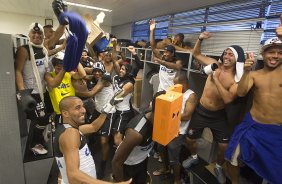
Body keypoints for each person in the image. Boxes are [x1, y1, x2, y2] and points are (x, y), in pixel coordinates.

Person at [182, 31, 245, 184]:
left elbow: (228, 99)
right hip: (201, 111)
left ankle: (218, 166)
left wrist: (215, 78)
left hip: (219, 115)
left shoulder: (236, 79)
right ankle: (194, 157)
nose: (227, 57)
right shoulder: (213, 64)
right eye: (226, 53)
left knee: (224, 146)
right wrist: (200, 39)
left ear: (237, 59)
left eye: (231, 55)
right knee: (190, 138)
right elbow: (196, 53)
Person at [224, 32, 282, 184]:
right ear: (263, 53)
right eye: (271, 52)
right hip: (252, 125)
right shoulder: (255, 74)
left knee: (274, 172)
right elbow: (242, 92)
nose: (275, 56)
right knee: (231, 157)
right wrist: (246, 72)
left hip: (276, 131)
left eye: (280, 52)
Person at [53, 96, 131, 184]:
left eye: (83, 106)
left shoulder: (67, 129)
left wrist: (109, 105)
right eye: (77, 108)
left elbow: (93, 127)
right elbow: (73, 175)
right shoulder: (70, 134)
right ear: (65, 113)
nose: (83, 110)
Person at [15, 22, 64, 155]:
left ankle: (41, 137)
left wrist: (63, 23)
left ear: (43, 36)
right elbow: (18, 71)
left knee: (49, 114)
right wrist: (23, 92)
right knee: (41, 119)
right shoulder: (24, 50)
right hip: (31, 92)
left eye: (39, 33)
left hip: (43, 90)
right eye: (34, 33)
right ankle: (34, 144)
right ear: (29, 34)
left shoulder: (43, 49)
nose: (37, 35)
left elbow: (55, 36)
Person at [152, 71, 198, 184]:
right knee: (161, 148)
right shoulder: (175, 92)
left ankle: (177, 180)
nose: (173, 86)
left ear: (183, 83)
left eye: (175, 84)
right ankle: (165, 168)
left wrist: (168, 115)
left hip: (178, 131)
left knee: (174, 157)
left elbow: (187, 116)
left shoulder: (191, 95)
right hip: (166, 127)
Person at [112, 91, 166, 183]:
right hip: (128, 166)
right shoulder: (136, 133)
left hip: (142, 160)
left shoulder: (161, 121)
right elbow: (116, 162)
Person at [46, 51, 86, 126]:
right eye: (56, 64)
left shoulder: (69, 74)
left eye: (61, 64)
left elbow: (83, 74)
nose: (59, 66)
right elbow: (53, 84)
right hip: (61, 113)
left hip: (74, 111)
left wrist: (75, 58)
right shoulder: (49, 75)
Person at [149, 19, 183, 92]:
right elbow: (153, 47)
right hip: (160, 90)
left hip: (171, 92)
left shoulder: (177, 61)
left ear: (172, 53)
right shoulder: (162, 58)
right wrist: (152, 30)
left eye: (167, 52)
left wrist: (161, 62)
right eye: (164, 52)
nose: (164, 54)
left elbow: (178, 67)